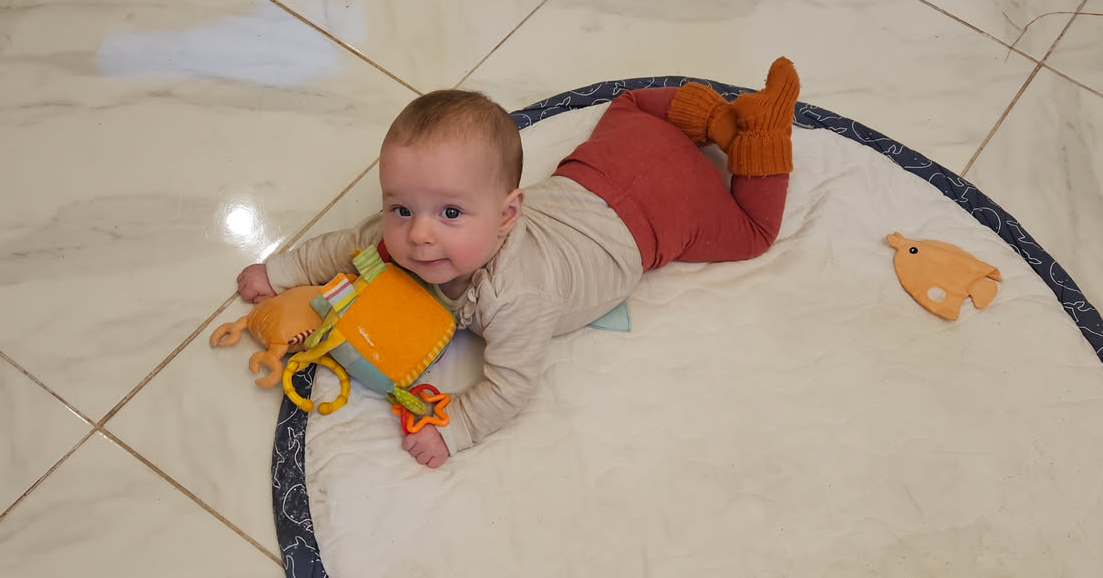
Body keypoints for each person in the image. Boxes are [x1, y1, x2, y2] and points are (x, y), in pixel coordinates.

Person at [236, 64, 798, 467]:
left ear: (508, 214)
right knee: (627, 105)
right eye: (400, 208)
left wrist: (454, 427)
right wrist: (279, 272)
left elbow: (511, 385)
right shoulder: (398, 236)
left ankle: (762, 135)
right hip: (599, 171)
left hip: (657, 217)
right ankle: (717, 120)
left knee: (753, 234)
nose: (420, 234)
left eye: (450, 213)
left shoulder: (516, 296)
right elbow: (340, 247)